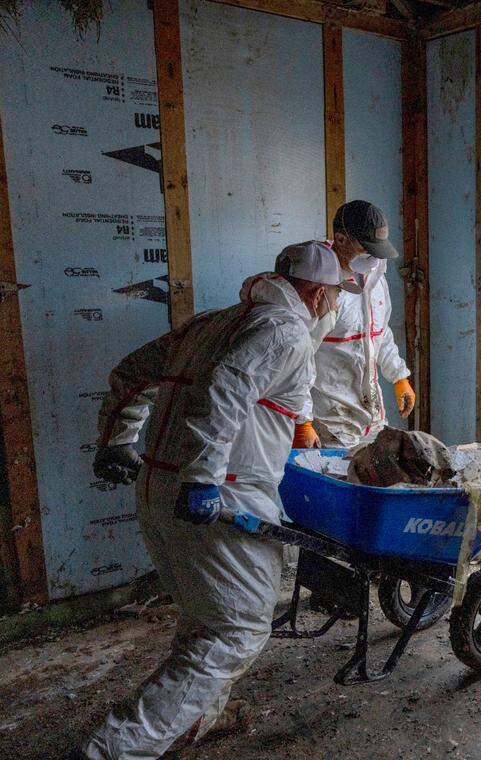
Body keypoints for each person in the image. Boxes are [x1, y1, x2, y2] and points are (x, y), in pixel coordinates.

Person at [79, 242, 344, 759]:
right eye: (333, 295)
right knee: (236, 630)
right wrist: (202, 477)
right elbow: (225, 389)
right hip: (218, 498)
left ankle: (192, 724)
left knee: (207, 620)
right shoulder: (283, 330)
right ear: (315, 293)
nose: (333, 306)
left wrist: (117, 441)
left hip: (160, 489)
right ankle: (110, 751)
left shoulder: (212, 322)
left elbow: (132, 373)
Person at [293, 200, 415, 450]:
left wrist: (398, 376)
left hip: (371, 416)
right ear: (340, 239)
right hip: (329, 421)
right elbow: (297, 360)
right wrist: (302, 420)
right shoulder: (317, 286)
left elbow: (380, 332)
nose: (375, 257)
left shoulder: (376, 276)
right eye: (367, 248)